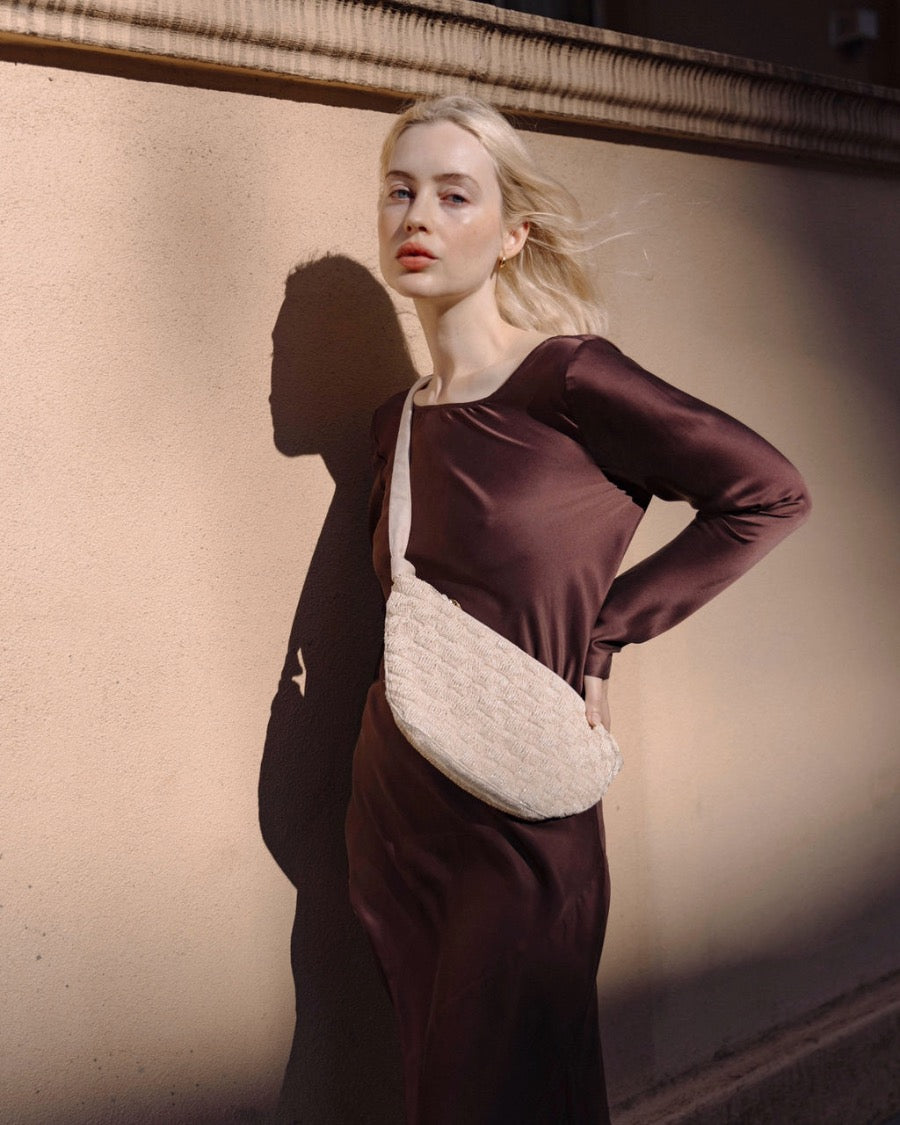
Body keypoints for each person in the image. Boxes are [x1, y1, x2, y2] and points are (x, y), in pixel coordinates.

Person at [344, 94, 810, 1125]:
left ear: (513, 233)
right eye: (400, 191)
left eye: (454, 195)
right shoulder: (396, 424)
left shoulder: (569, 379)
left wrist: (608, 631)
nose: (417, 216)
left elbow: (768, 492)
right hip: (400, 816)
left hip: (526, 816)